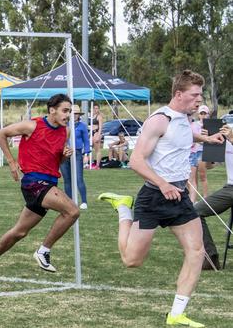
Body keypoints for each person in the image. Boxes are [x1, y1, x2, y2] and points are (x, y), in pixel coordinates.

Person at [97, 70, 223, 327]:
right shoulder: (159, 120)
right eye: (194, 95)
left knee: (197, 252)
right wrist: (163, 184)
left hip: (179, 198)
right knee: (132, 260)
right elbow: (136, 160)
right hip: (154, 196)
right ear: (179, 94)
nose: (199, 99)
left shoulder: (184, 120)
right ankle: (123, 209)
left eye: (200, 94)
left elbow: (183, 136)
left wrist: (206, 138)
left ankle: (176, 314)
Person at [0, 94, 79, 288]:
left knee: (19, 232)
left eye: (70, 112)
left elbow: (56, 161)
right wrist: (12, 162)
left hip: (49, 182)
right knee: (72, 211)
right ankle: (43, 251)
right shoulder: (32, 125)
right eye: (65, 110)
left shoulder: (66, 132)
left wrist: (64, 156)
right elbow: (1, 134)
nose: (68, 115)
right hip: (33, 182)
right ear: (52, 110)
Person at [194, 124, 233, 270]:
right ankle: (210, 257)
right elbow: (210, 166)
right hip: (230, 188)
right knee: (195, 211)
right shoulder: (226, 132)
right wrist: (208, 143)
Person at [60, 104, 90, 210]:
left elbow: (86, 141)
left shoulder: (82, 126)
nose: (75, 116)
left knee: (78, 178)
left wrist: (86, 154)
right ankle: (69, 202)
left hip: (77, 153)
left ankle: (84, 201)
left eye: (77, 114)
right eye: (73, 114)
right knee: (67, 179)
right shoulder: (63, 125)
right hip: (64, 153)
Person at [188, 105, 210, 202]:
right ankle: (193, 200)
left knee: (202, 176)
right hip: (193, 152)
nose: (203, 115)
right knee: (192, 178)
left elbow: (208, 140)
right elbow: (192, 139)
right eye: (201, 113)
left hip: (202, 152)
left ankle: (205, 198)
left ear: (208, 115)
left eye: (205, 113)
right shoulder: (193, 125)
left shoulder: (210, 126)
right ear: (198, 114)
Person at [90, 103, 104, 169]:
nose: (95, 109)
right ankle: (92, 163)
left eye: (97, 108)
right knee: (90, 149)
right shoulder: (91, 116)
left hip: (96, 132)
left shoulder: (99, 116)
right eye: (94, 108)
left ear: (99, 109)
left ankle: (98, 165)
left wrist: (99, 135)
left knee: (97, 150)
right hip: (91, 133)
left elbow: (101, 127)